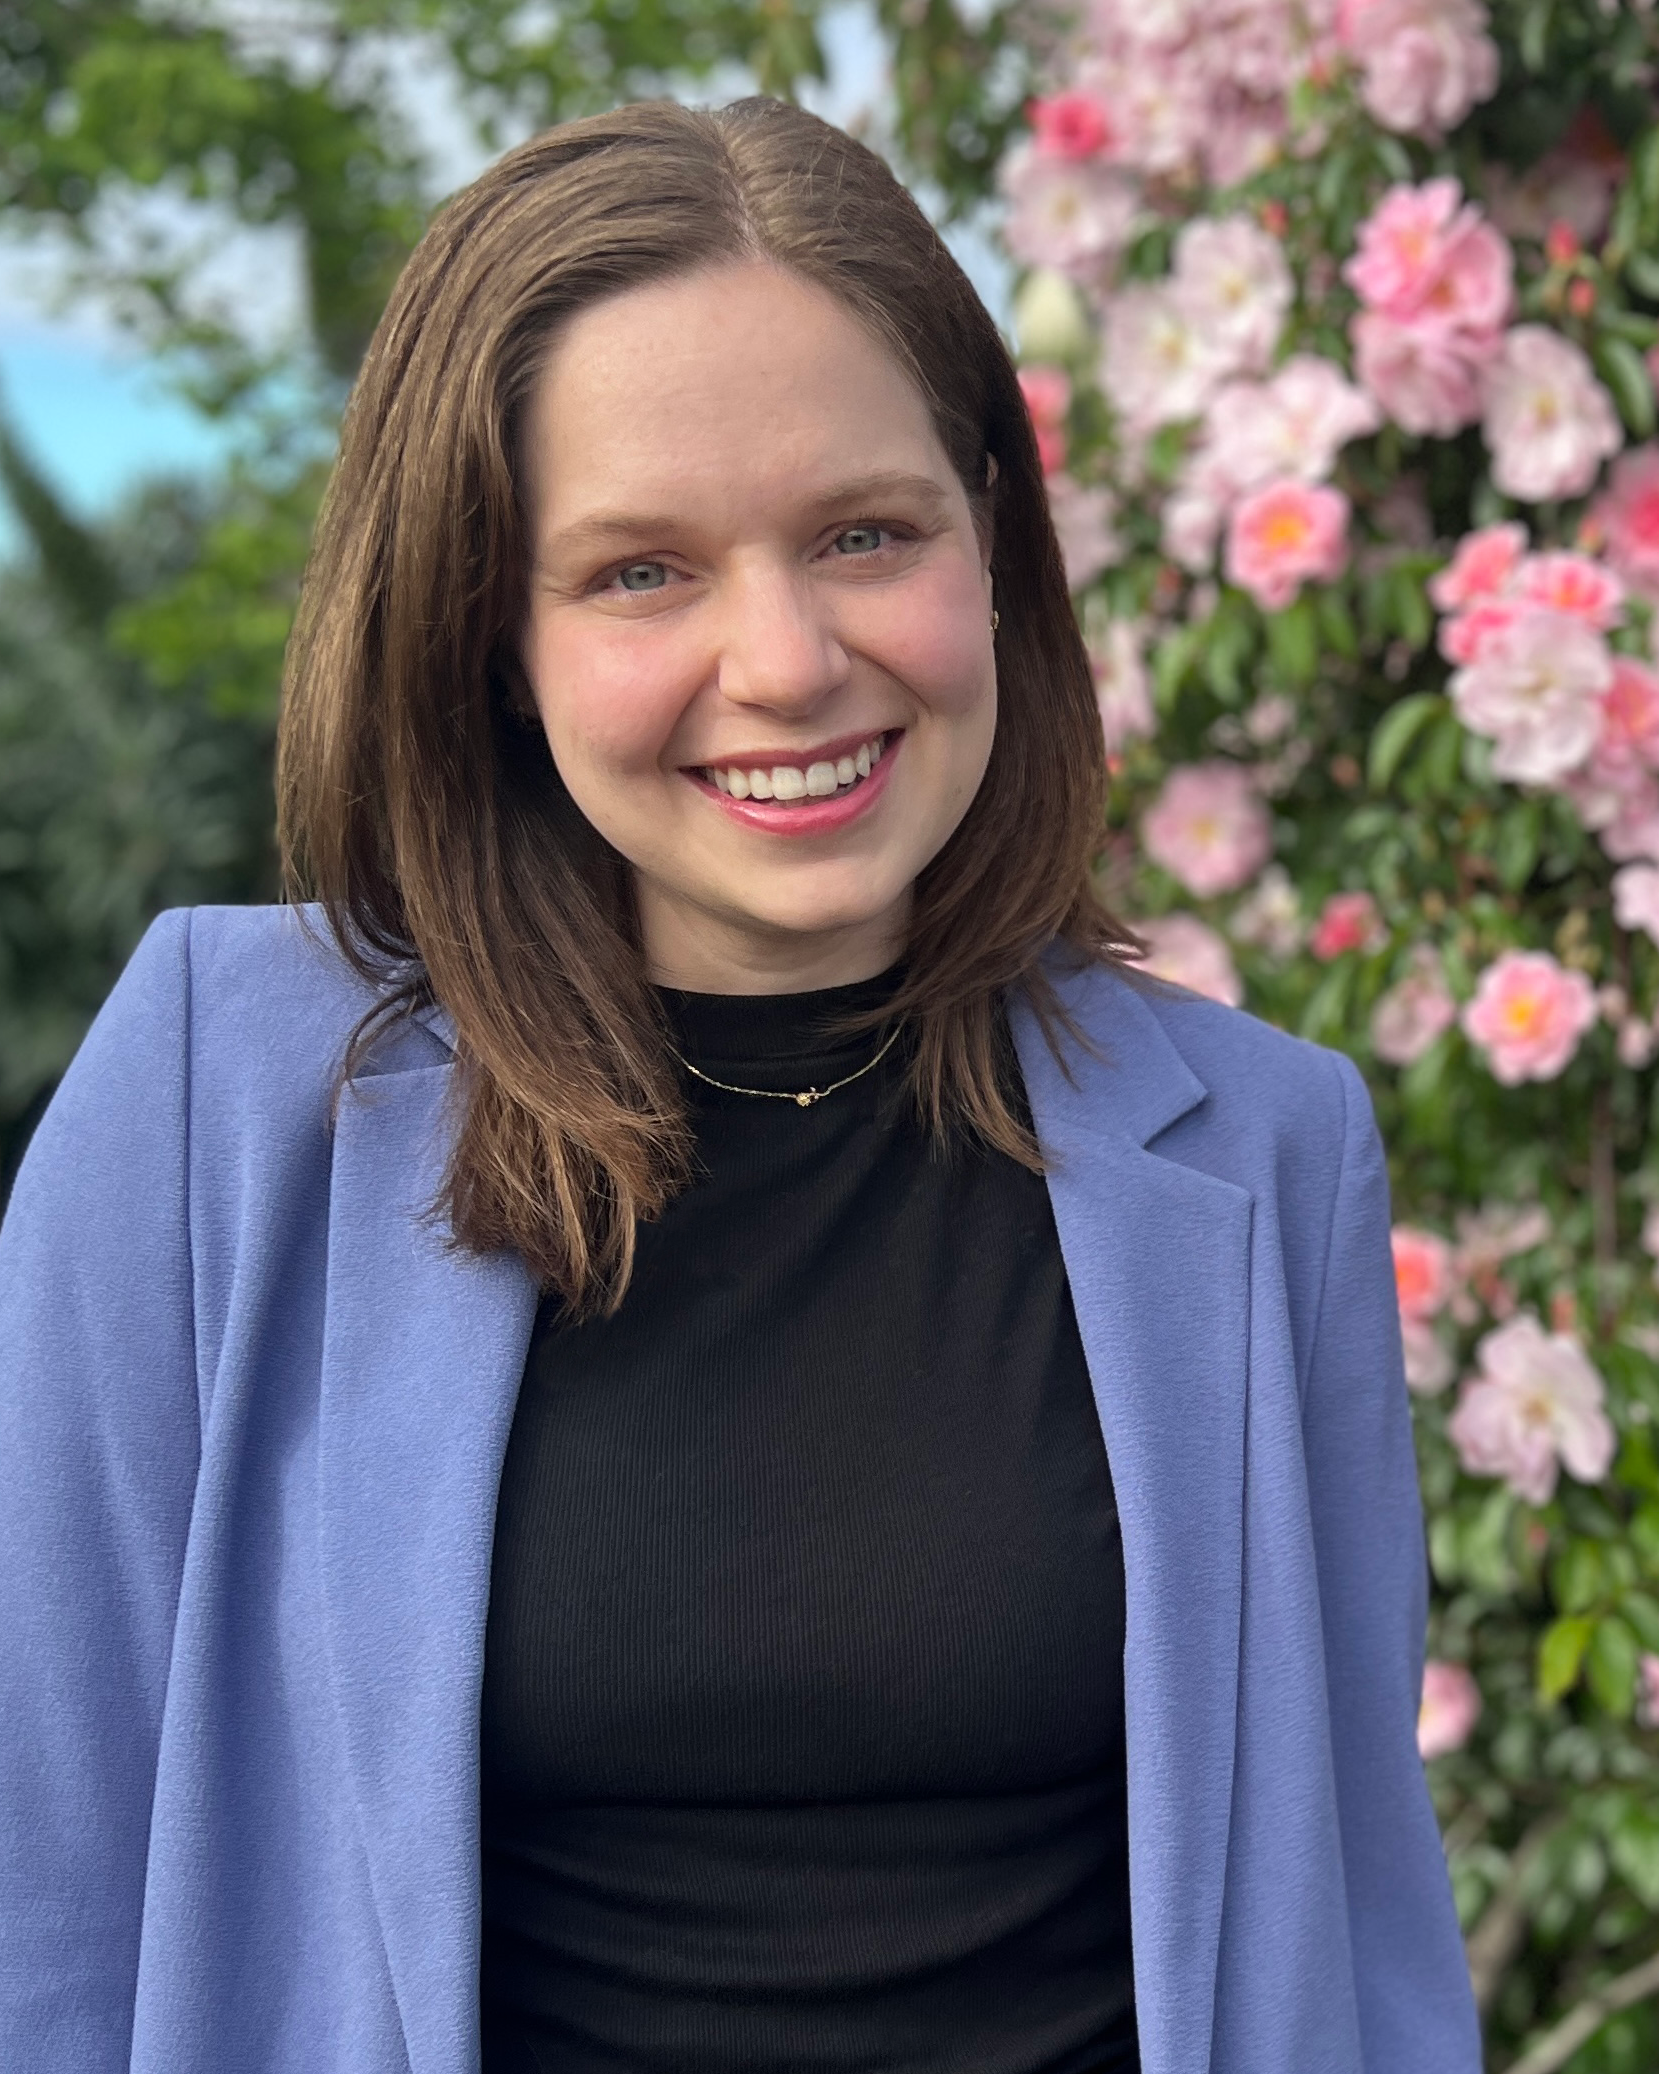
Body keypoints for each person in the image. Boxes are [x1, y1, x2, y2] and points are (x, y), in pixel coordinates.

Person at [0, 95, 1480, 2074]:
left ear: (987, 532)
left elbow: (1356, 1938)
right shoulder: (218, 1102)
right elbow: (47, 1895)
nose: (783, 661)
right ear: (486, 633)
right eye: (638, 572)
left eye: (864, 533)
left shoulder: (1264, 1148)